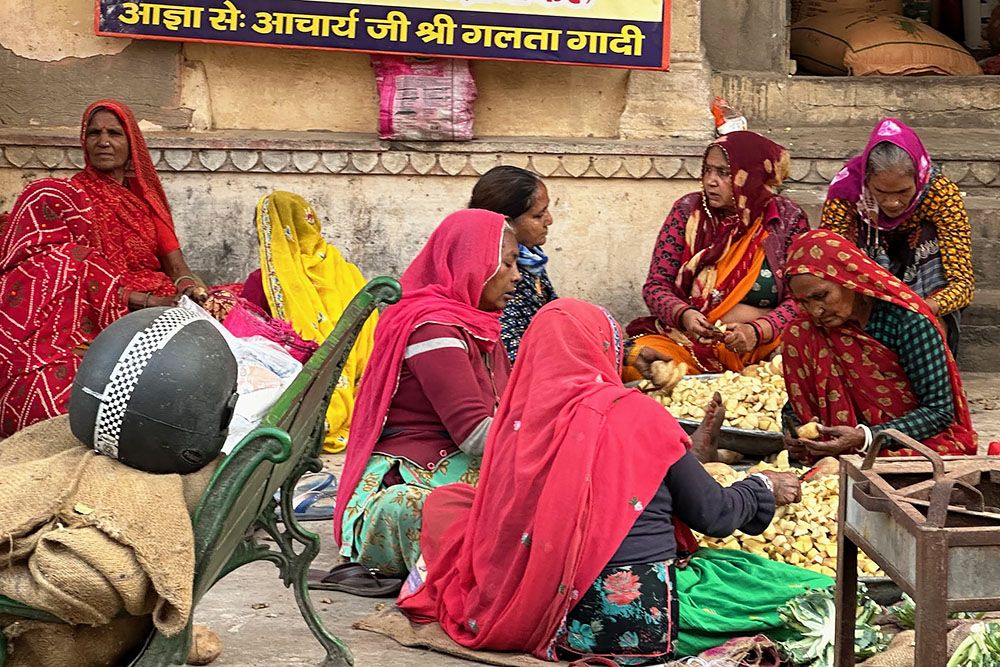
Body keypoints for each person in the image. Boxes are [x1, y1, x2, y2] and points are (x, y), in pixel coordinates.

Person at [397, 299, 806, 664]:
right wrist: (762, 486)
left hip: (548, 615)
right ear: (604, 351)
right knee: (783, 587)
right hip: (634, 625)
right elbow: (715, 515)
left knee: (451, 504)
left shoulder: (515, 425)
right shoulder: (640, 416)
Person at [328, 209, 520, 582]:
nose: (516, 276)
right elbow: (475, 435)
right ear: (473, 264)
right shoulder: (433, 329)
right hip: (413, 480)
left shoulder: (479, 325)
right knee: (425, 510)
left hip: (466, 471)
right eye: (508, 263)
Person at [624, 131, 809, 381]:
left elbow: (801, 299)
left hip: (764, 345)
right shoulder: (687, 212)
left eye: (723, 173)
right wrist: (685, 315)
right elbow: (656, 286)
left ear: (752, 176)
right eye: (707, 170)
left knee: (803, 365)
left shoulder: (786, 220)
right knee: (638, 366)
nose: (710, 181)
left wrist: (760, 330)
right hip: (688, 342)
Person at [781, 229, 976, 460]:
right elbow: (796, 405)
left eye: (821, 296)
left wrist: (867, 437)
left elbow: (939, 411)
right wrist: (793, 431)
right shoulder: (807, 332)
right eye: (803, 302)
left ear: (847, 279)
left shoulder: (908, 321)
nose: (815, 310)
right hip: (838, 446)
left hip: (911, 440)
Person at [821, 118, 974, 354]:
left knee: (928, 234)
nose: (892, 203)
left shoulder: (942, 195)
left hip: (923, 296)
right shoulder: (847, 192)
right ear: (867, 179)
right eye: (880, 192)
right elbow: (829, 264)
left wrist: (923, 309)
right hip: (865, 293)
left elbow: (962, 284)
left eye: (903, 191)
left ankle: (931, 350)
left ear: (918, 178)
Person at [249, 191, 377, 453]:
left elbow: (246, 333)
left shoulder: (264, 281)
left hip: (301, 391)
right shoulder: (345, 270)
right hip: (363, 390)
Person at [0, 179, 126, 437]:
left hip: (7, 406)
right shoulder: (84, 260)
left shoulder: (8, 272)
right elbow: (116, 330)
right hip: (59, 403)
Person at [70, 99, 213, 312]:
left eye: (114, 133)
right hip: (101, 303)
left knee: (227, 306)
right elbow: (72, 272)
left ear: (132, 144)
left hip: (161, 294)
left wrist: (188, 287)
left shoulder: (144, 197)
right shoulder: (71, 196)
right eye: (94, 133)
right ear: (85, 141)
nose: (103, 142)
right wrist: (148, 302)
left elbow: (175, 264)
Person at [469, 166, 556, 362]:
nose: (549, 220)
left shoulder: (532, 261)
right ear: (508, 222)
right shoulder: (495, 275)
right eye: (538, 216)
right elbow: (511, 354)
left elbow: (556, 313)